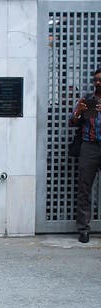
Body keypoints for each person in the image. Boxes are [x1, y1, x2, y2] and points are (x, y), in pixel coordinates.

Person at [69, 67, 101, 243]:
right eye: (95, 79)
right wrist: (78, 112)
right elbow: (72, 122)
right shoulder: (87, 100)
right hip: (89, 146)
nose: (98, 82)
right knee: (84, 189)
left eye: (100, 79)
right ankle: (83, 229)